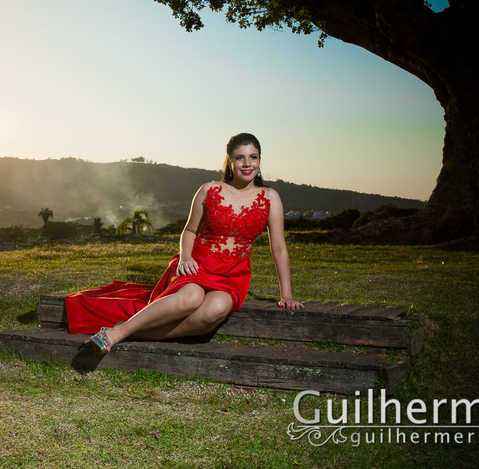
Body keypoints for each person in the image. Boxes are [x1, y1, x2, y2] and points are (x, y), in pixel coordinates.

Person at [66, 133, 304, 353]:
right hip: (197, 265)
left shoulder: (270, 198)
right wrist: (186, 257)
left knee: (216, 309)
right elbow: (189, 231)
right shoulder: (209, 190)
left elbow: (279, 248)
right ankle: (116, 333)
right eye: (240, 158)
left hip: (233, 275)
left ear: (260, 160)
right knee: (190, 298)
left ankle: (128, 331)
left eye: (253, 157)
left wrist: (287, 294)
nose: (247, 164)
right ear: (230, 161)